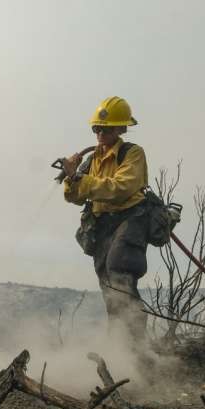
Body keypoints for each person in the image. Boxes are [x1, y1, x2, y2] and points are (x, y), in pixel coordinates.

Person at [61, 96, 149, 346]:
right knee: (107, 284)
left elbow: (120, 188)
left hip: (130, 218)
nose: (99, 133)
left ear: (121, 128)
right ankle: (119, 346)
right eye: (96, 128)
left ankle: (136, 349)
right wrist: (72, 177)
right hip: (103, 224)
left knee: (119, 270)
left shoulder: (132, 153)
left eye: (105, 128)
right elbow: (74, 197)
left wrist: (81, 180)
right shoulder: (92, 160)